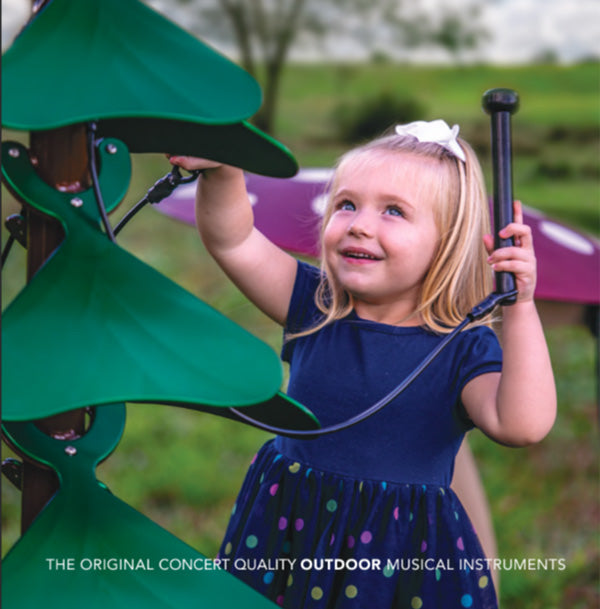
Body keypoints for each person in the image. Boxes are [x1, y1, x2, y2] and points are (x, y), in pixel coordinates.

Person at [169, 120, 556, 609]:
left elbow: (521, 424)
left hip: (397, 552)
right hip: (292, 524)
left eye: (394, 211)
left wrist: (520, 306)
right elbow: (234, 241)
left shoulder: (461, 347)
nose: (359, 224)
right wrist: (223, 170)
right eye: (346, 204)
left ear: (448, 242)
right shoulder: (315, 305)